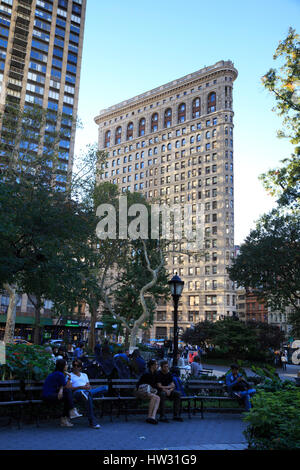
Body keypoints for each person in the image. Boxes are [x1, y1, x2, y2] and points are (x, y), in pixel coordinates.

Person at [42, 359, 82, 427]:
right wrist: (69, 377)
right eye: (66, 365)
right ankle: (69, 413)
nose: (67, 366)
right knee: (67, 395)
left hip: (49, 394)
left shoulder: (57, 373)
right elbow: (66, 387)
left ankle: (67, 416)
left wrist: (61, 390)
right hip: (49, 396)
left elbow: (62, 386)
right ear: (62, 366)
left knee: (66, 397)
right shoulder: (60, 374)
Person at [69, 359, 108, 429]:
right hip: (77, 392)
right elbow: (70, 388)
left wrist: (87, 387)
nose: (75, 367)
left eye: (77, 366)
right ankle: (93, 422)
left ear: (80, 367)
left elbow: (88, 386)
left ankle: (86, 394)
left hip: (86, 391)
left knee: (104, 388)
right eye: (74, 365)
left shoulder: (84, 375)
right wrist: (80, 387)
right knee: (83, 393)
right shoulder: (70, 375)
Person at [135, 359, 160, 424]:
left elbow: (154, 385)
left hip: (148, 392)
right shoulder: (147, 373)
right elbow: (143, 384)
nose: (157, 366)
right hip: (141, 391)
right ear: (152, 366)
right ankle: (149, 416)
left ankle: (153, 417)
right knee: (154, 397)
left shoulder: (155, 373)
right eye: (156, 364)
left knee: (158, 398)